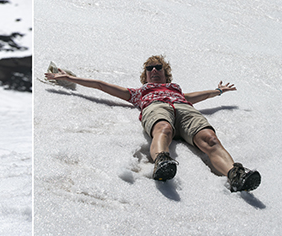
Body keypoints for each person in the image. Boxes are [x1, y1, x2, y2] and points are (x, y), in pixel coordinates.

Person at [44, 55, 260, 192]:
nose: (154, 70)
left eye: (158, 67)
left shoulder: (177, 91)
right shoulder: (138, 93)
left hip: (183, 109)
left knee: (210, 139)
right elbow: (101, 85)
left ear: (166, 74)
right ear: (145, 75)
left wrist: (218, 91)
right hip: (156, 108)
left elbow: (197, 96)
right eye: (150, 68)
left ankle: (235, 175)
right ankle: (162, 162)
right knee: (163, 128)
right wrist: (71, 79)